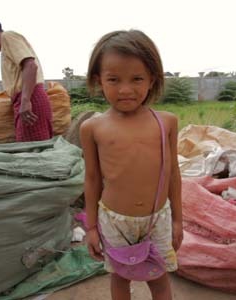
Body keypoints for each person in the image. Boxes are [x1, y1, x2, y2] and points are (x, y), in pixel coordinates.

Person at [80, 30, 183, 300]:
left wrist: (177, 220)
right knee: (120, 276)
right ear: (98, 80)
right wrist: (91, 227)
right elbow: (91, 179)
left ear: (152, 79)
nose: (125, 90)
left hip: (157, 217)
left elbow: (172, 175)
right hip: (114, 220)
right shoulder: (92, 127)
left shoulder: (167, 122)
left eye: (137, 79)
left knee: (159, 277)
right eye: (113, 80)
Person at [0, 18, 53, 142]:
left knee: (33, 153)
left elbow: (30, 66)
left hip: (30, 98)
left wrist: (25, 101)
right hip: (26, 99)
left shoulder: (8, 37)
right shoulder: (5, 48)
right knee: (29, 150)